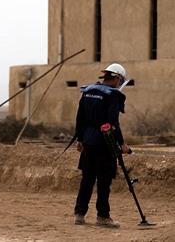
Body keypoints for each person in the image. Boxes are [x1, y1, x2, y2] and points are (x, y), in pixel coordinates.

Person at [73, 63, 131, 228]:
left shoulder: (88, 91)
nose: (120, 85)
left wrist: (80, 139)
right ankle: (103, 216)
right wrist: (122, 144)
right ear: (116, 78)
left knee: (87, 179)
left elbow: (80, 118)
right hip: (104, 142)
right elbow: (112, 123)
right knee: (103, 181)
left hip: (88, 141)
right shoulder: (112, 96)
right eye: (120, 81)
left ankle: (79, 213)